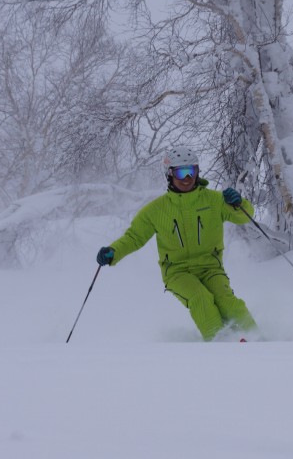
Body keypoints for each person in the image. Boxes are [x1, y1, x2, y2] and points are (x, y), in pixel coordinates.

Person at [96, 146, 258, 341]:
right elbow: (134, 237)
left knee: (227, 302)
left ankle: (257, 340)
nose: (187, 178)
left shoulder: (215, 201)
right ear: (169, 174)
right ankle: (221, 342)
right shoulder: (156, 210)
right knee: (200, 298)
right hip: (177, 272)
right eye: (181, 172)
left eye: (192, 171)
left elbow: (243, 217)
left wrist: (239, 203)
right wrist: (113, 251)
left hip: (210, 267)